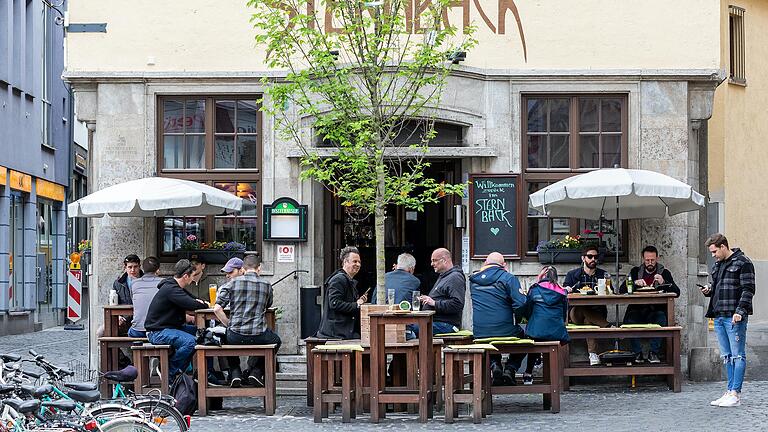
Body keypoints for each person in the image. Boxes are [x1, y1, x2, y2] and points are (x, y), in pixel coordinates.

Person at [702, 233, 755, 408]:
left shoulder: (743, 262)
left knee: (738, 355)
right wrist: (709, 289)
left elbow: (748, 289)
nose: (713, 255)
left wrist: (740, 311)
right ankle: (729, 390)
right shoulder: (719, 264)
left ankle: (735, 393)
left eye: (714, 251)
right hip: (719, 315)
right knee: (727, 356)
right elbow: (717, 286)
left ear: (724, 246)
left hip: (734, 316)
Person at [214, 255, 280, 388]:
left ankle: (235, 372)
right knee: (276, 341)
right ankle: (256, 371)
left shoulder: (232, 283)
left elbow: (217, 309)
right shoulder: (266, 285)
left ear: (243, 269)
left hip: (235, 336)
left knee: (224, 337)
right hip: (259, 336)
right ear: (259, 268)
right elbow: (268, 305)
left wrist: (229, 325)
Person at [468, 252, 527, 386]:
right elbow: (521, 304)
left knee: (490, 336)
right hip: (505, 330)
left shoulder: (473, 280)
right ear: (504, 265)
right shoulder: (508, 278)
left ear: (485, 264)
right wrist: (519, 317)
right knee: (525, 336)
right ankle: (511, 368)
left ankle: (495, 364)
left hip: (479, 332)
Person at [145, 259, 209, 379]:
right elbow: (191, 304)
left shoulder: (176, 287)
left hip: (171, 328)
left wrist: (202, 303)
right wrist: (204, 304)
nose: (193, 279)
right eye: (192, 276)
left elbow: (193, 299)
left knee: (204, 335)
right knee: (190, 342)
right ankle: (169, 372)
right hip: (158, 332)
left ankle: (203, 374)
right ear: (185, 276)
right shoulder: (171, 289)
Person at [617, 245, 680, 363]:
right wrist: (634, 283)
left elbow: (677, 292)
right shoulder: (635, 271)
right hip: (637, 309)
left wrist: (664, 282)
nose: (650, 263)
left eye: (652, 260)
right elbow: (622, 290)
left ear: (657, 258)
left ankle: (653, 353)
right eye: (647, 260)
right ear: (643, 259)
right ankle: (637, 353)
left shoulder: (664, 273)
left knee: (661, 318)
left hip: (655, 310)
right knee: (630, 320)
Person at [520, 266, 570, 385]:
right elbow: (564, 314)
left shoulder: (534, 289)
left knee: (535, 337)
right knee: (544, 334)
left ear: (541, 276)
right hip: (557, 332)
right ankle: (556, 377)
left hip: (536, 331)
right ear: (555, 278)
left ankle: (528, 373)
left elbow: (528, 310)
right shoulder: (562, 292)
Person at [563, 245, 609, 365]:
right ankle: (608, 326)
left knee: (589, 322)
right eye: (590, 256)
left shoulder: (603, 275)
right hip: (575, 313)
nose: (593, 259)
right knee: (583, 307)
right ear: (583, 258)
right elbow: (564, 292)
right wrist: (568, 289)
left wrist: (607, 288)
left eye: (595, 257)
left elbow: (610, 292)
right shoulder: (572, 275)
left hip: (597, 312)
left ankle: (593, 354)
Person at [316, 246, 368, 340]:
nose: (358, 264)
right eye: (354, 261)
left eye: (359, 262)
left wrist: (358, 302)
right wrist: (356, 304)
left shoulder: (346, 279)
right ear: (345, 262)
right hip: (336, 333)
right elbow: (334, 303)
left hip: (342, 331)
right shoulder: (338, 279)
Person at [416, 248, 466, 336]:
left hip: (447, 325)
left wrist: (434, 303)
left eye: (434, 261)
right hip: (437, 322)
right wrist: (427, 299)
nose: (432, 264)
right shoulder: (444, 276)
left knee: (408, 328)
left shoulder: (455, 277)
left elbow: (457, 304)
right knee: (405, 327)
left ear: (444, 261)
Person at [127, 256, 163, 338]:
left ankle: (133, 351)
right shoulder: (164, 282)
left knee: (130, 332)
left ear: (142, 268)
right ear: (158, 270)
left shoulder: (134, 283)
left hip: (138, 330)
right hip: (158, 329)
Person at [112, 254, 143, 336]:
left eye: (135, 267)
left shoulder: (146, 281)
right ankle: (117, 349)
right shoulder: (118, 283)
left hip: (142, 320)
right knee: (101, 332)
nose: (133, 270)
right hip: (123, 320)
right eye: (130, 267)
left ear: (139, 266)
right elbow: (113, 302)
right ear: (125, 268)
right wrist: (119, 317)